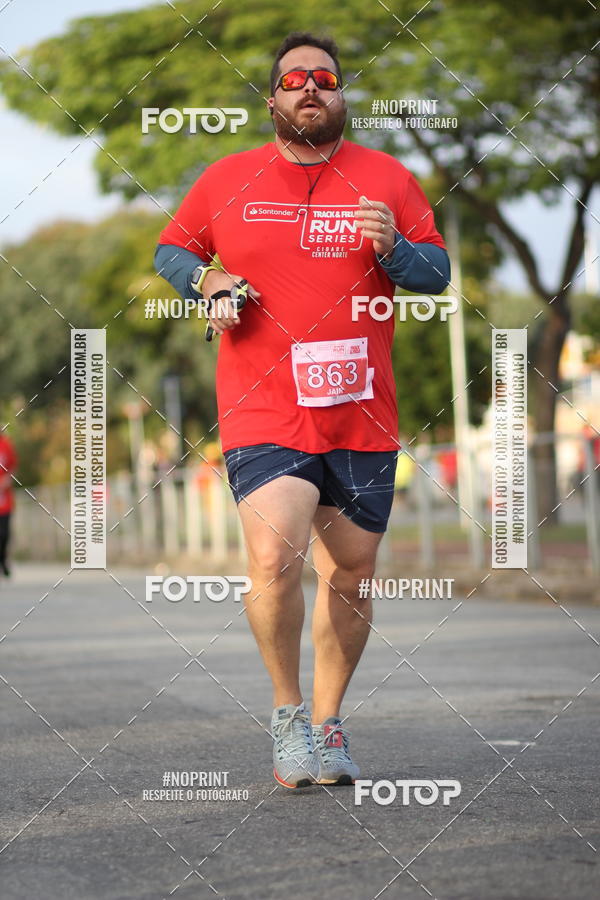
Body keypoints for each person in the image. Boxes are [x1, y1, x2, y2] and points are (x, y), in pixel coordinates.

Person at [154, 31, 450, 788]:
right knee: (272, 557)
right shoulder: (227, 178)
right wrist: (209, 283)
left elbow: (435, 271)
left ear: (342, 95)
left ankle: (328, 725)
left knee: (351, 575)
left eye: (324, 78)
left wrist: (394, 252)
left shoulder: (388, 178)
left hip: (360, 411)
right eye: (294, 81)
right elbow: (173, 250)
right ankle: (287, 715)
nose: (309, 89)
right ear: (273, 100)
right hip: (264, 406)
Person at [0, 432, 17, 578]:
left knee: (4, 533)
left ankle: (3, 559)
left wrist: (6, 480)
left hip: (4, 499)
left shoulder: (6, 445)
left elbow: (12, 468)